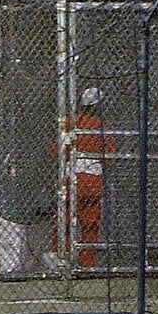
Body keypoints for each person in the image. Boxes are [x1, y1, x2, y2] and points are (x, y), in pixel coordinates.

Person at [51, 87, 116, 268]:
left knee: (63, 221)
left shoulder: (72, 124)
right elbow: (110, 156)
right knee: (90, 225)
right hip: (93, 180)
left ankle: (61, 260)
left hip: (71, 178)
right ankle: (86, 264)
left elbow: (56, 152)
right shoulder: (101, 127)